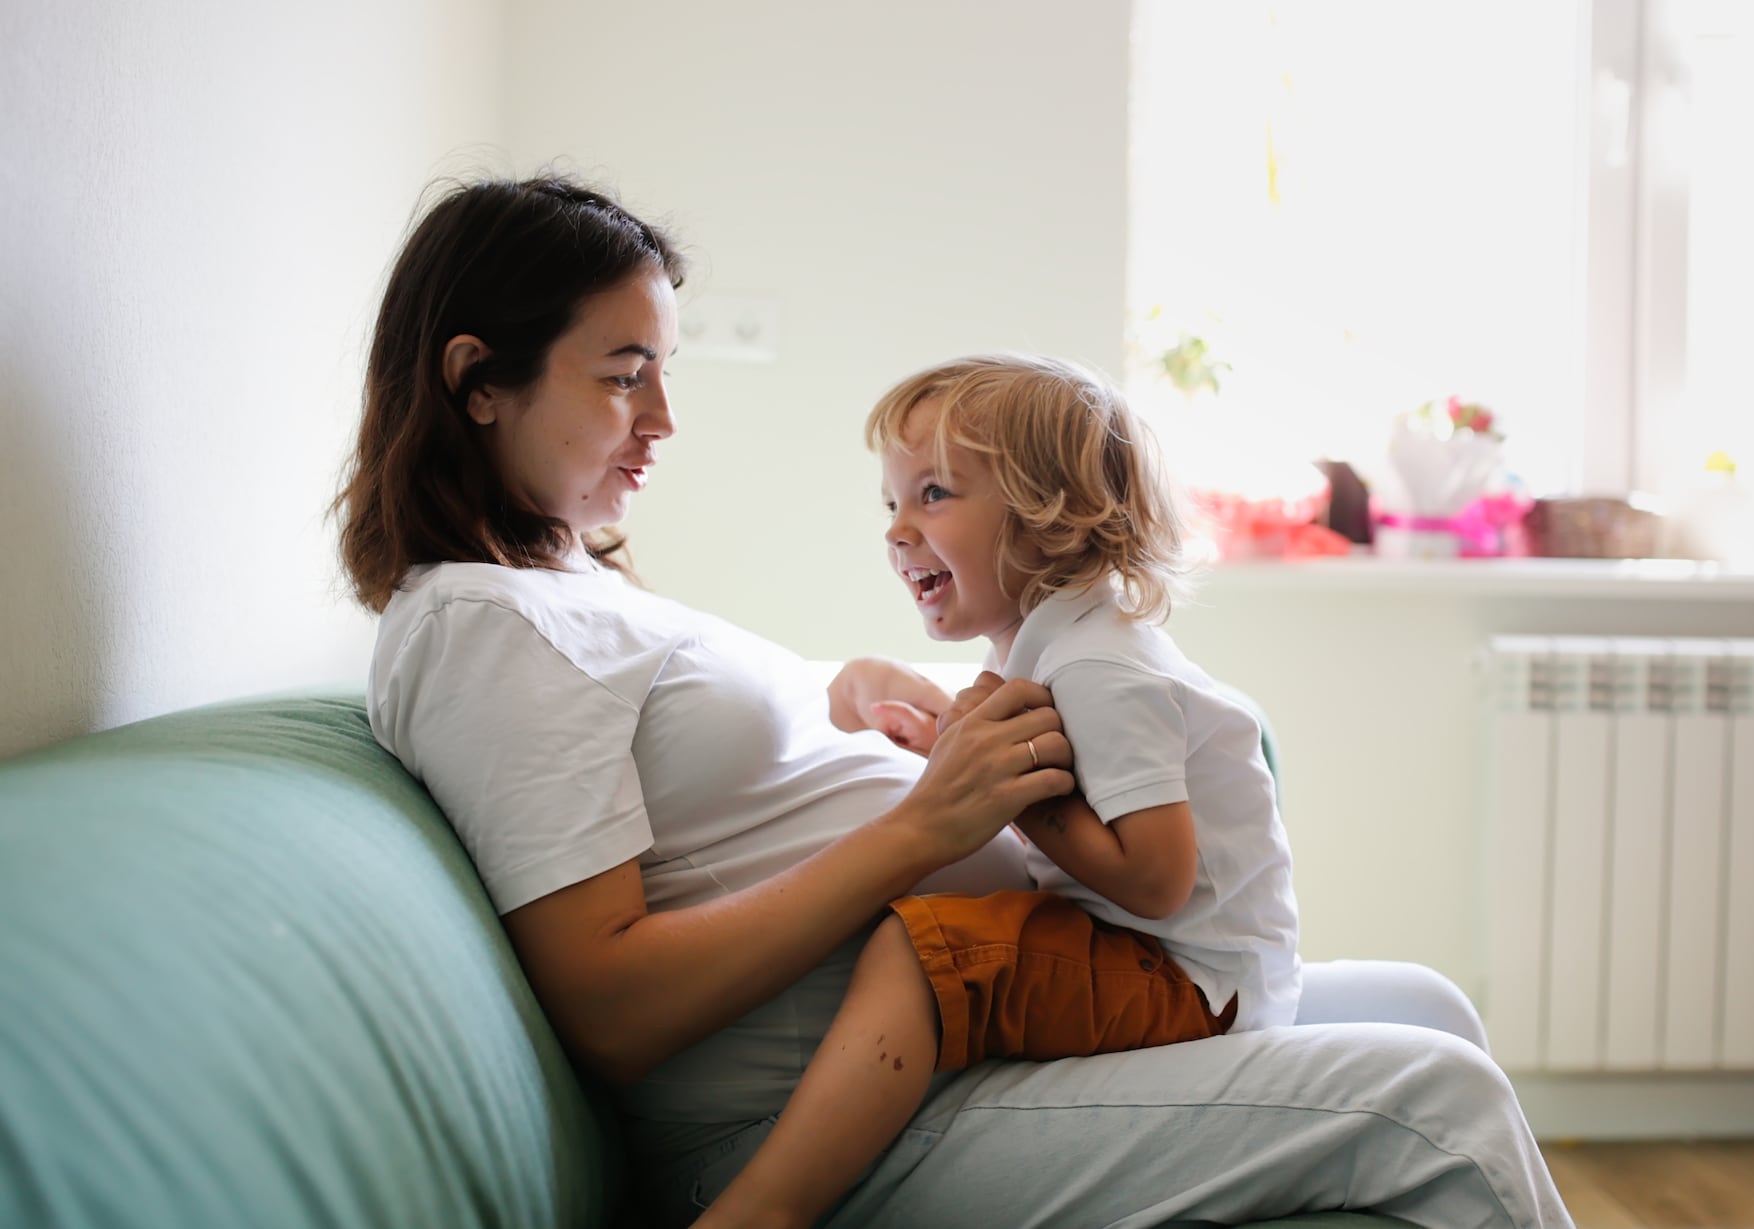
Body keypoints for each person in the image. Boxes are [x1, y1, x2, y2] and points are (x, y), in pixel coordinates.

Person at [334, 173, 1575, 1228]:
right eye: (622, 374)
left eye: (661, 370)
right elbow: (611, 1007)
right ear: (477, 380)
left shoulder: (565, 588)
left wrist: (860, 688)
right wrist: (923, 830)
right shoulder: (476, 625)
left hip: (987, 1020)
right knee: (1439, 1103)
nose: (664, 418)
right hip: (835, 1113)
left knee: (1428, 1003)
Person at [695, 355, 1302, 1228]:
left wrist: (1009, 791)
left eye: (934, 494)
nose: (898, 529)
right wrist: (952, 735)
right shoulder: (1050, 644)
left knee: (928, 951)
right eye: (892, 501)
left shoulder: (1097, 665)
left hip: (1189, 985)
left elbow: (1159, 876)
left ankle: (766, 1207)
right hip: (1172, 961)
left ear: (1050, 517)